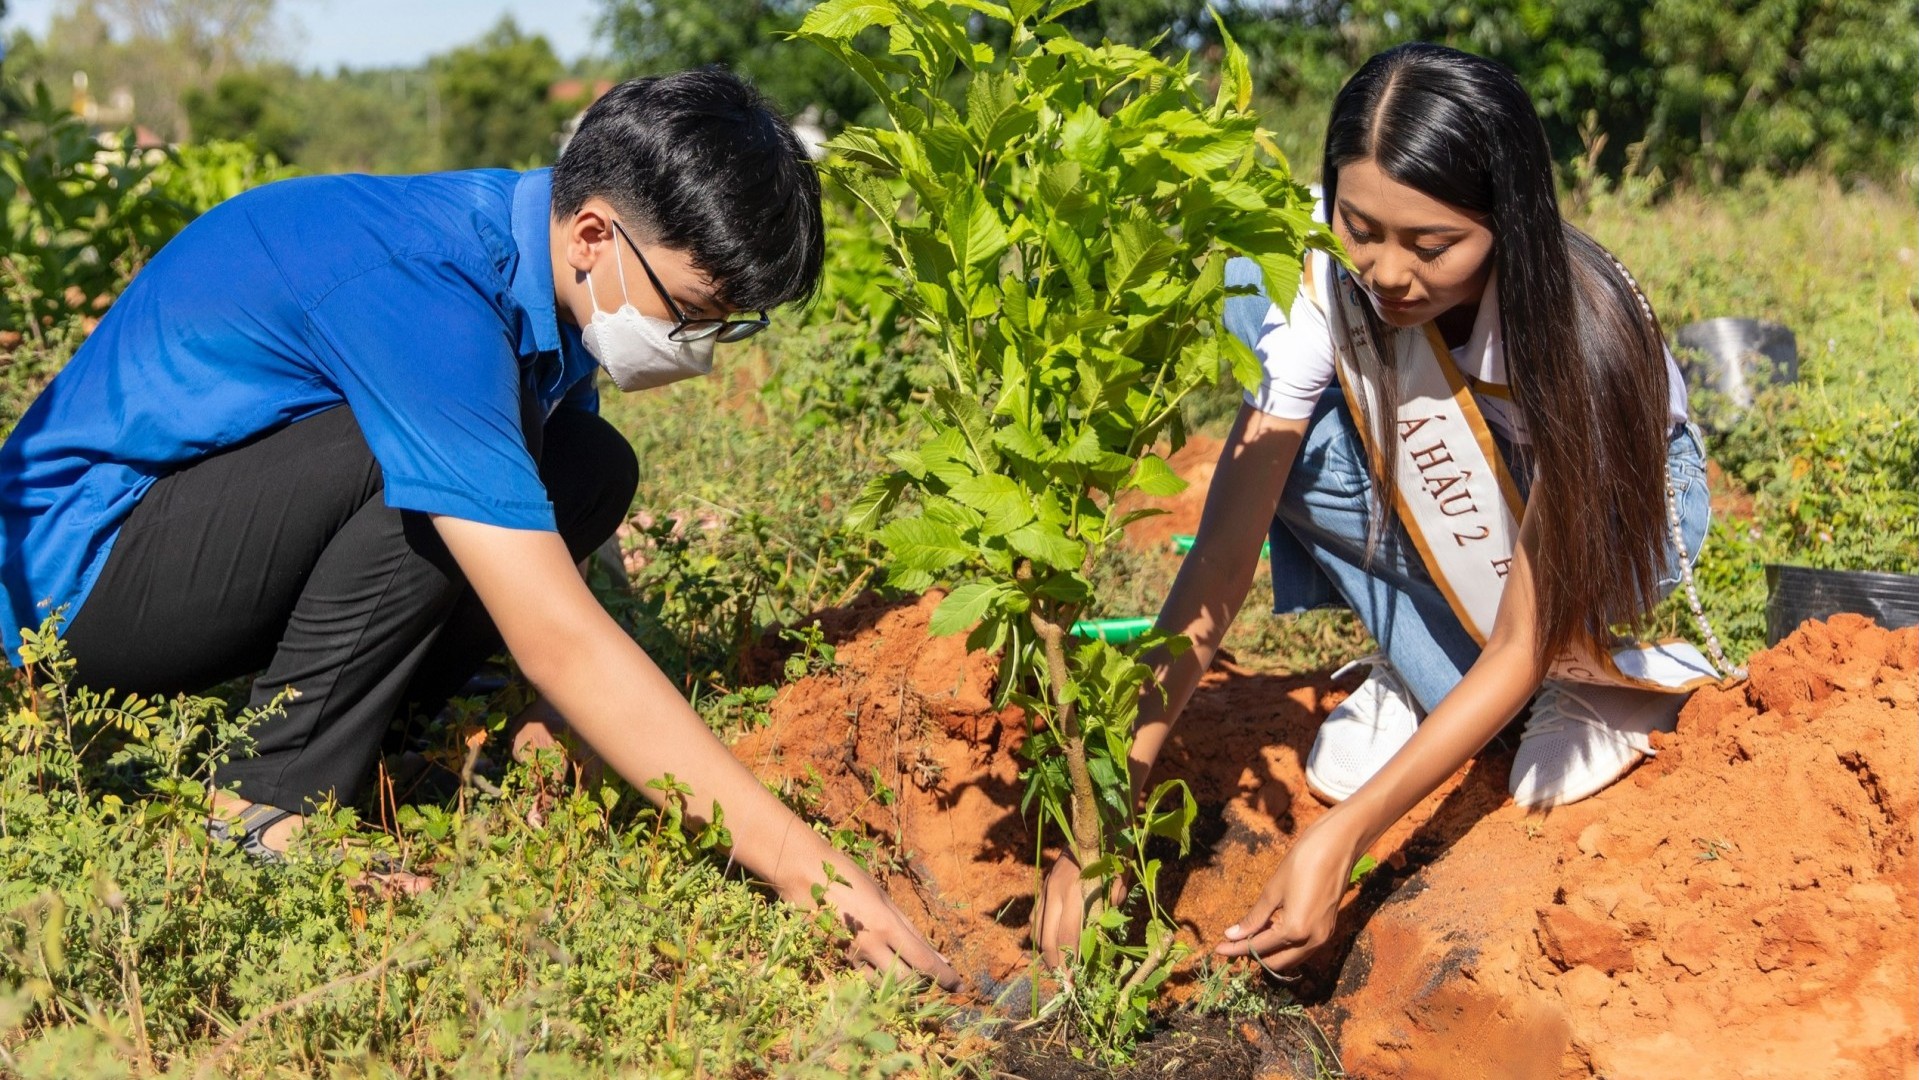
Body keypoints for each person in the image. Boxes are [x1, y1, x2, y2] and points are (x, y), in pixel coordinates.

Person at [0, 69, 960, 990]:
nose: (698, 352)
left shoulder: (533, 267)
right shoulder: (428, 294)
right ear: (594, 232)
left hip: (203, 548)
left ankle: (377, 739)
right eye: (693, 314)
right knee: (419, 459)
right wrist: (807, 869)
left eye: (726, 328)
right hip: (80, 585)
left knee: (583, 465)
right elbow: (557, 635)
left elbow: (548, 548)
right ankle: (263, 805)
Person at [1036, 43, 1731, 971]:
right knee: (1287, 430)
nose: (1387, 272)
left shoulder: (1580, 334)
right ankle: (1427, 668)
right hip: (1454, 515)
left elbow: (1520, 635)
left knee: (1524, 679)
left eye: (1432, 245)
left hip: (1615, 518)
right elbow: (1221, 553)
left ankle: (1595, 681)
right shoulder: (1331, 273)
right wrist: (1108, 809)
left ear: (1508, 224)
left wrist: (1344, 836)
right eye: (1361, 226)